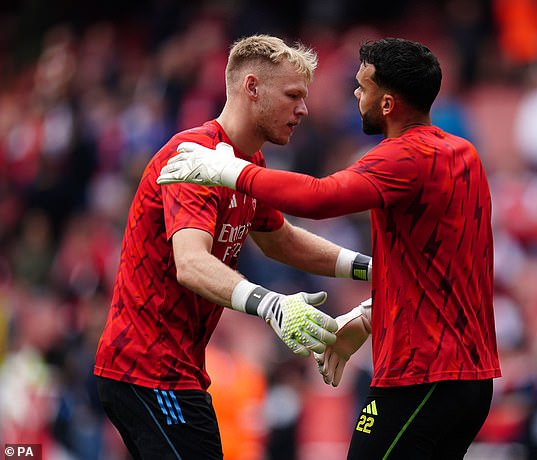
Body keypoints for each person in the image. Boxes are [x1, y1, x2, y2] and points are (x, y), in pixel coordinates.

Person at [158, 37, 502, 459]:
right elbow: (441, 274)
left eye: (363, 86)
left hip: (422, 377)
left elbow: (318, 198)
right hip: (467, 378)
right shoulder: (463, 155)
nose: (356, 94)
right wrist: (364, 316)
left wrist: (227, 169)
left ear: (389, 104)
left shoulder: (404, 157)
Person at [94, 34, 372, 460]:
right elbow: (190, 263)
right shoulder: (194, 159)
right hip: (148, 371)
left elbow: (281, 241)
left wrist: (373, 269)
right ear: (252, 87)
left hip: (175, 371)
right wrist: (269, 304)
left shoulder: (247, 166)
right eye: (293, 95)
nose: (304, 109)